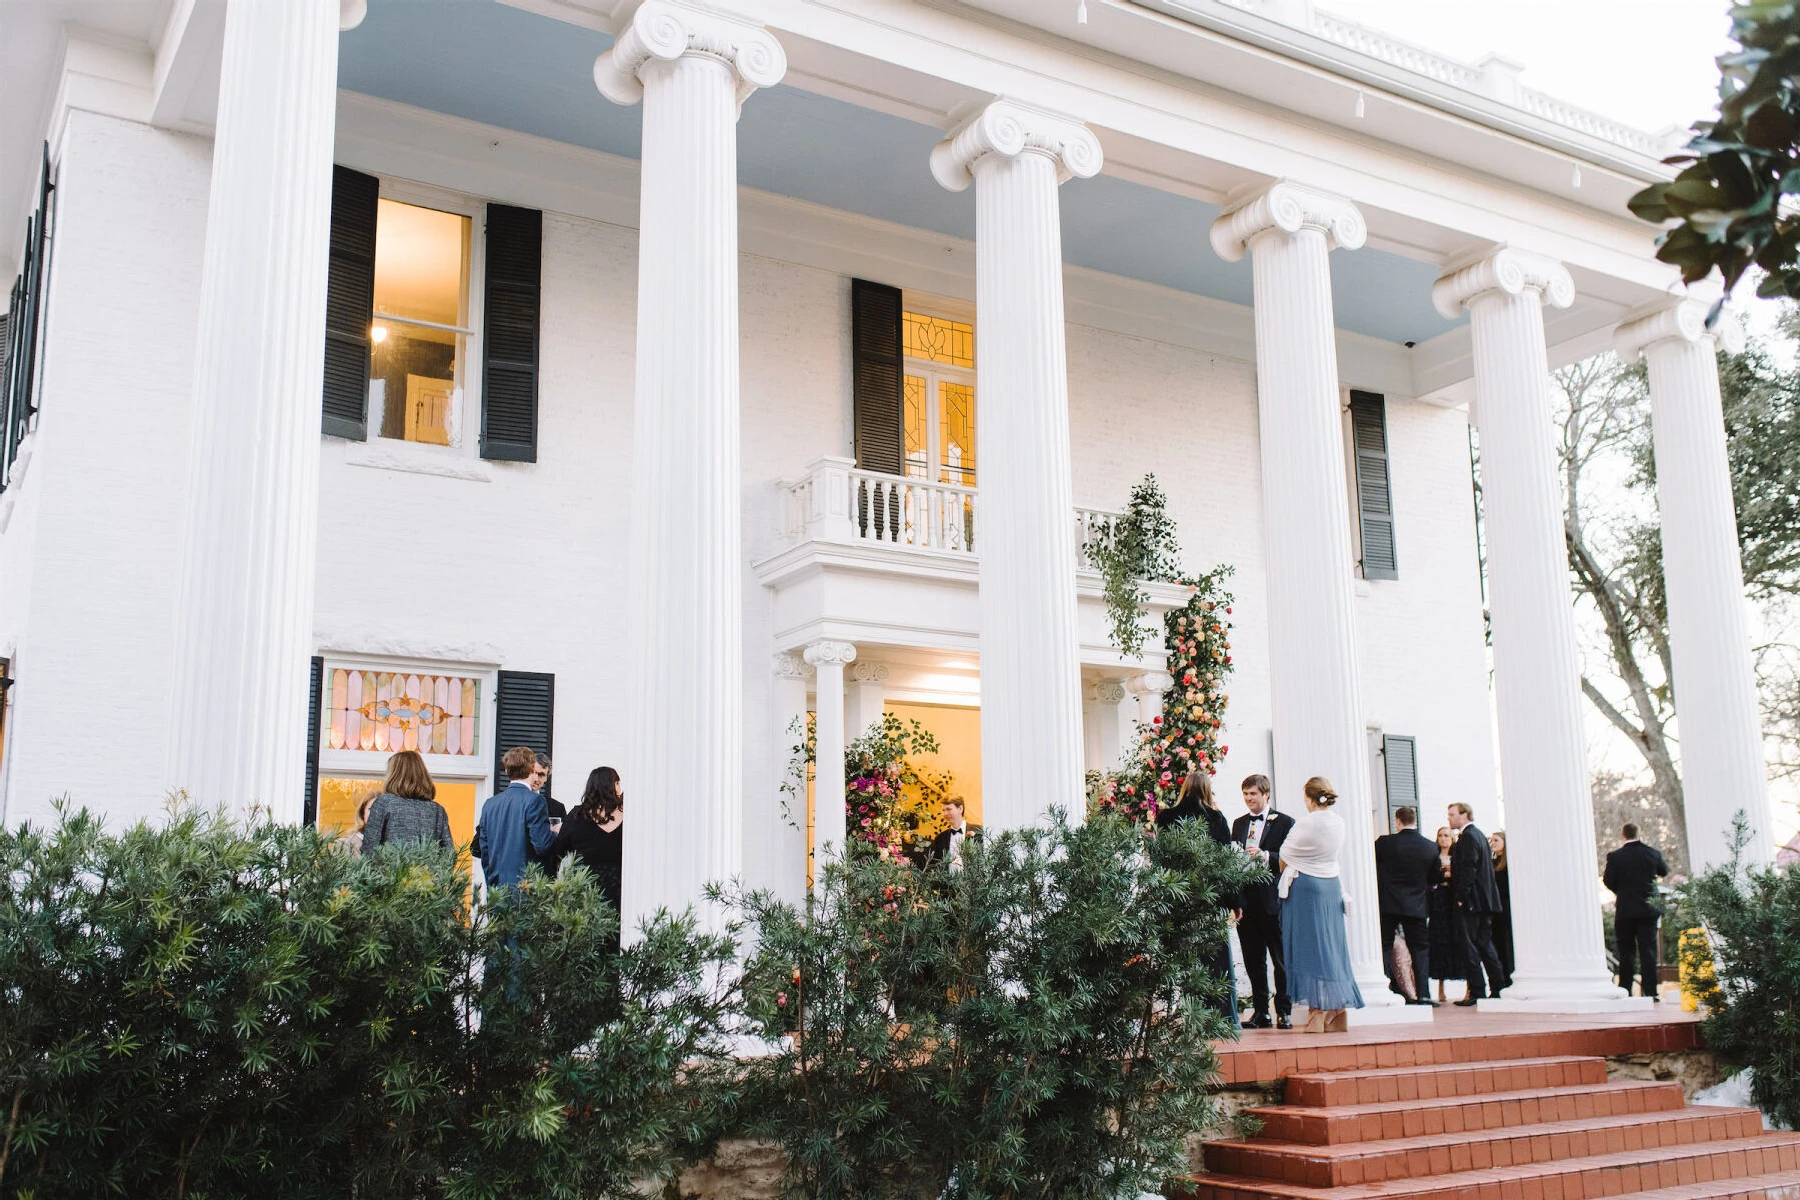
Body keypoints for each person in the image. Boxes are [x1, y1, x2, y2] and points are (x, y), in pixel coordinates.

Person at [1279, 776, 1364, 1032]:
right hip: (1331, 886)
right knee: (1332, 947)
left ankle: (1316, 1013)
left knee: (1308, 948)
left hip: (1306, 887)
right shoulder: (1338, 822)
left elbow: (1284, 856)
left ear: (1308, 797)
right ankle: (1337, 1010)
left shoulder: (1306, 823)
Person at [1159, 769, 1241, 1032]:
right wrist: (1234, 901)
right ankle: (1220, 1016)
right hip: (1210, 897)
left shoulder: (1167, 817)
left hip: (1180, 896)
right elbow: (1224, 864)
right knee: (1216, 958)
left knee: (1186, 957)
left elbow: (1163, 859)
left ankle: (1188, 1015)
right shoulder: (1215, 818)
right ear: (1207, 790)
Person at [1231, 774, 1294, 1029]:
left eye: (1253, 794)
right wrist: (1236, 901)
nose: (1249, 799)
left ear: (1266, 794)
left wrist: (1266, 855)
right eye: (1245, 795)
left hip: (1273, 899)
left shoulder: (1285, 822)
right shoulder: (1238, 824)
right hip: (1247, 900)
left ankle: (1284, 1010)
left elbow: (1290, 857)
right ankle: (1260, 1011)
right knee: (1253, 959)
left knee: (1279, 959)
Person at [548, 766, 625, 952]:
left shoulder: (577, 816)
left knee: (585, 945)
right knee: (614, 945)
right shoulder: (629, 816)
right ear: (614, 785)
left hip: (585, 890)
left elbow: (557, 851)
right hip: (619, 891)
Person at [1374, 806, 1441, 1006]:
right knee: (1420, 949)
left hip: (1389, 903)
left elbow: (1373, 867)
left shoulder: (1384, 844)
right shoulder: (1429, 847)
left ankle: (1385, 990)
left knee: (1384, 946)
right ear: (1415, 821)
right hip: (1416, 905)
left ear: (1398, 821)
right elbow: (1434, 878)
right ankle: (1424, 994)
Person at [1446, 802, 1507, 1004]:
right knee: (1484, 944)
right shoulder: (1479, 835)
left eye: (1452, 814)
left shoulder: (1468, 837)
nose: (1449, 818)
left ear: (1464, 815)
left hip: (1472, 902)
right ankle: (1498, 987)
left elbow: (1468, 869)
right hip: (1485, 902)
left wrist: (1462, 897)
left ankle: (1478, 991)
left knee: (1470, 947)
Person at [474, 745, 557, 889]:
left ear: (507, 770)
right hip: (526, 891)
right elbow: (542, 846)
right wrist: (555, 833)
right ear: (532, 768)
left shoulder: (490, 804)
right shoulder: (535, 801)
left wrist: (492, 883)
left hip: (496, 891)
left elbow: (484, 850)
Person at [1603, 823, 1670, 1000]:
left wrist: (1622, 891)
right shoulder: (1653, 853)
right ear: (1639, 834)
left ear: (1623, 835)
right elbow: (1664, 871)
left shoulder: (1616, 857)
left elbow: (1608, 880)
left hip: (1625, 910)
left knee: (1626, 951)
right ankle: (1650, 991)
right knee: (1648, 951)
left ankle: (1625, 989)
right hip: (1648, 909)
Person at [361, 749, 455, 854]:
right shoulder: (437, 810)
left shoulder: (384, 803)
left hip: (391, 869)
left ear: (393, 775)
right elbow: (449, 854)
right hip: (426, 870)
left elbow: (369, 848)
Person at [1427, 826, 1462, 1003]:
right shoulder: (1434, 857)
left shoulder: (1458, 856)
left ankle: (1468, 987)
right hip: (1439, 901)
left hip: (1453, 901)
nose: (1443, 839)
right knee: (1439, 941)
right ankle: (1440, 988)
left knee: (1458, 940)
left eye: (1446, 835)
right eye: (1440, 835)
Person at [1489, 829, 1515, 985]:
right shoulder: (1491, 863)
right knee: (1496, 945)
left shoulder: (1509, 865)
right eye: (1491, 840)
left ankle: (1508, 978)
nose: (1492, 843)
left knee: (1506, 945)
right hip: (1494, 910)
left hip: (1505, 909)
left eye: (1496, 840)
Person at [925, 797, 980, 869]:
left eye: (948, 809)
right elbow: (935, 865)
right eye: (943, 810)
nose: (945, 813)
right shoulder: (940, 838)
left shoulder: (979, 831)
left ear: (960, 808)